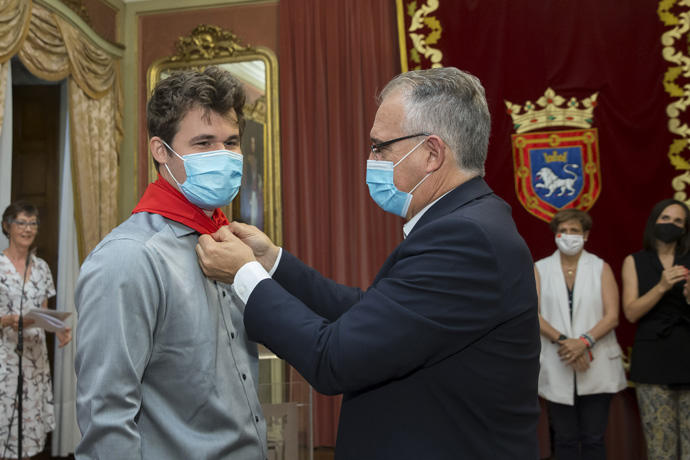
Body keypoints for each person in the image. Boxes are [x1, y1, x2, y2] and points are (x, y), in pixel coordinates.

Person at [196, 67, 541, 459]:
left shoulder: (465, 239)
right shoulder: (467, 222)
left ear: (431, 153)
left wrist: (245, 275)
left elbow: (333, 359)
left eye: (381, 147)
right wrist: (273, 262)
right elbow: (370, 315)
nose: (372, 158)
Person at [73, 67, 267, 459]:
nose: (224, 156)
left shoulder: (227, 241)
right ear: (161, 151)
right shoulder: (128, 258)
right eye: (203, 143)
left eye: (231, 142)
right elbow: (107, 417)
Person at [534, 209, 626, 460]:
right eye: (563, 230)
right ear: (555, 234)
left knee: (594, 439)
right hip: (558, 359)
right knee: (564, 439)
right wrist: (567, 343)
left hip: (596, 361)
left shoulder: (600, 267)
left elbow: (612, 316)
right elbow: (534, 313)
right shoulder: (540, 268)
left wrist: (583, 343)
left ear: (585, 235)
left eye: (575, 231)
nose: (569, 236)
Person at [0, 200, 71, 459]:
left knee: (28, 432)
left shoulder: (42, 267)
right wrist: (7, 320)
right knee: (4, 424)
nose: (28, 229)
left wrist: (59, 328)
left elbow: (43, 313)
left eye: (33, 224)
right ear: (7, 227)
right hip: (5, 358)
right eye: (22, 223)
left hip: (35, 359)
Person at [621, 198, 690, 460]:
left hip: (687, 353)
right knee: (661, 446)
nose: (670, 224)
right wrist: (661, 286)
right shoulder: (635, 261)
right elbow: (631, 312)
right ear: (654, 221)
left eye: (677, 221)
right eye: (665, 219)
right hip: (653, 360)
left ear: (685, 228)